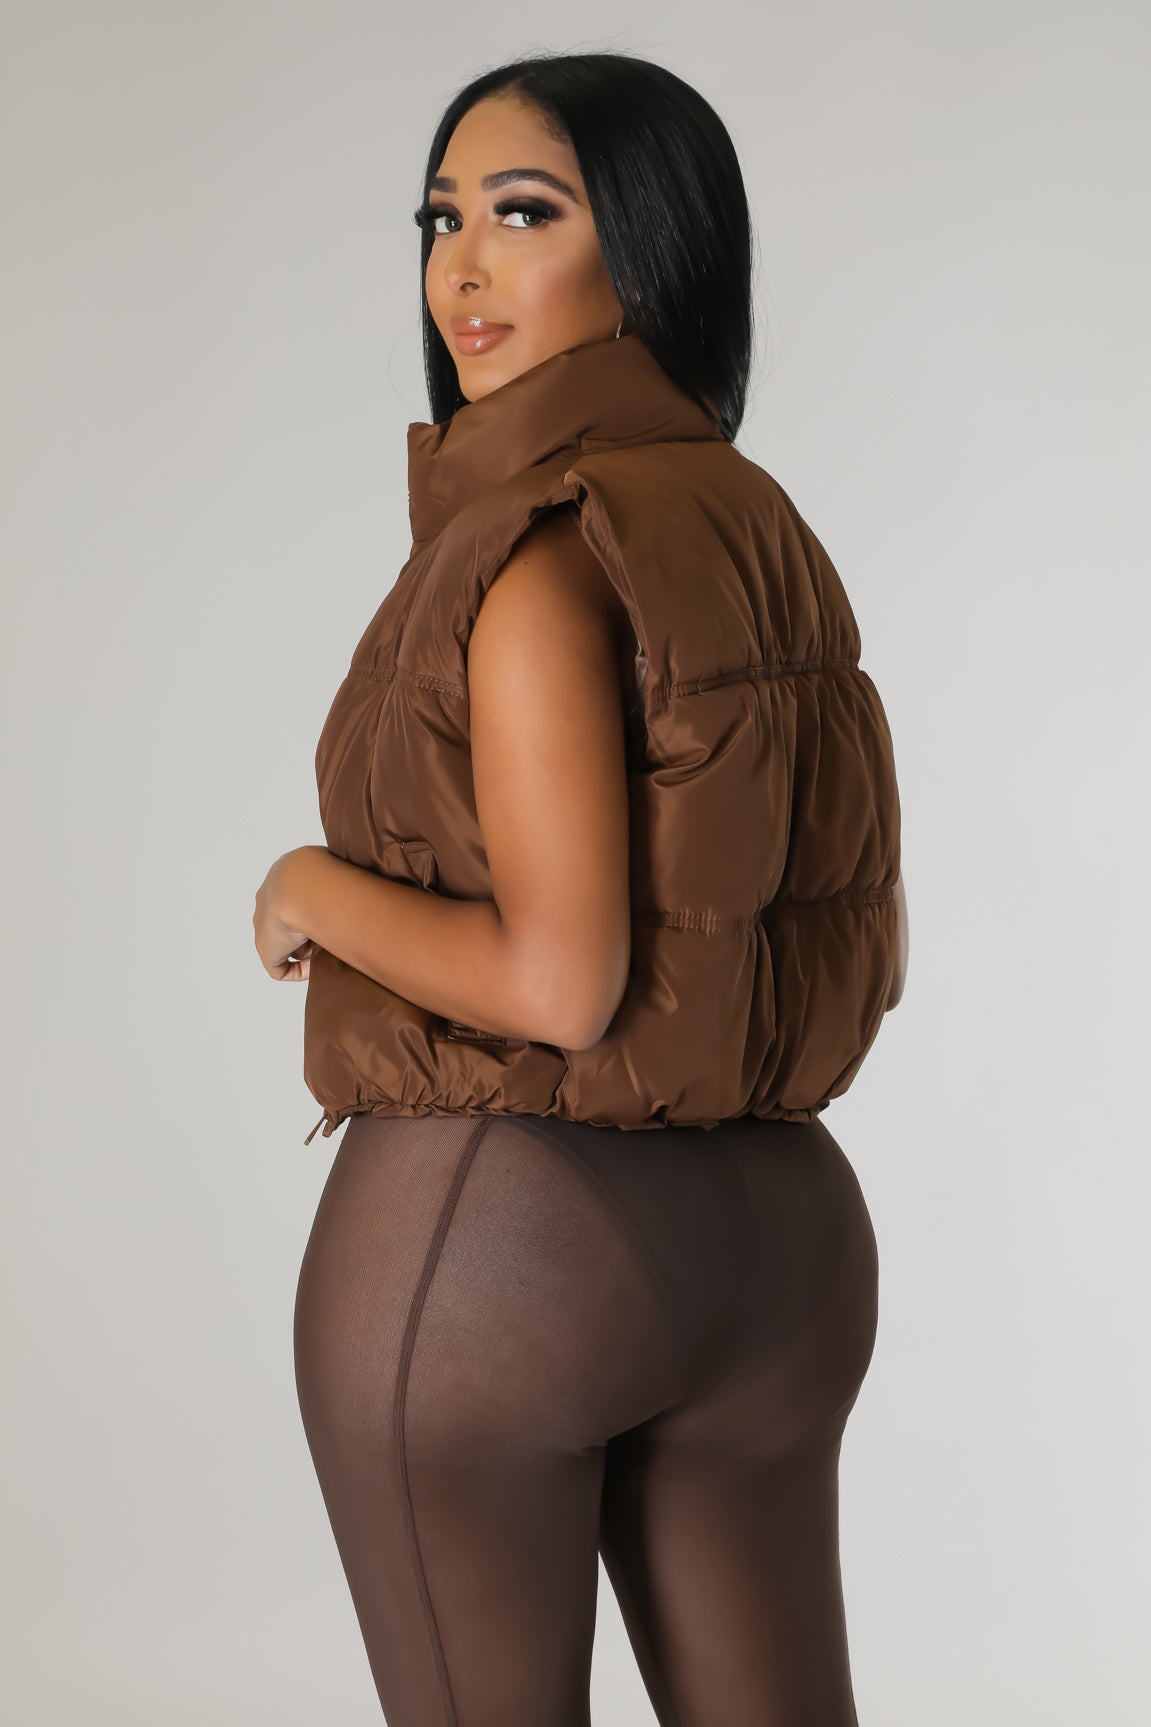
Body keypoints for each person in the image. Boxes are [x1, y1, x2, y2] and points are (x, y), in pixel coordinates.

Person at [253, 49, 908, 1726]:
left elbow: (561, 984)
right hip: (779, 1245)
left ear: (649, 249)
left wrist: (309, 885)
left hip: (509, 1247)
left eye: (526, 214)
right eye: (442, 221)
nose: (463, 269)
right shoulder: (755, 526)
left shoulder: (538, 550)